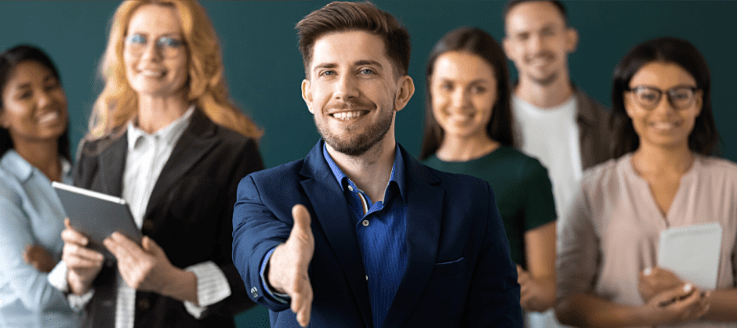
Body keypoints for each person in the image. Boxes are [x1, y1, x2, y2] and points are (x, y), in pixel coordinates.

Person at [232, 2, 521, 327]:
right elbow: (258, 253)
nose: (344, 91)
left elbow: (500, 319)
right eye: (328, 72)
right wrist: (283, 268)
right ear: (309, 94)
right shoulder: (264, 193)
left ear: (402, 92)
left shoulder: (471, 202)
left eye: (365, 71)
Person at [54, 0, 264, 327]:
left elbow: (254, 273)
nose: (150, 55)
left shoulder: (233, 152)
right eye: (137, 39)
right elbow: (78, 279)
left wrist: (173, 282)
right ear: (120, 48)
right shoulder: (95, 150)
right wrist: (77, 274)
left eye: (168, 42)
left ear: (193, 53)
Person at [556, 37, 737, 327]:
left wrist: (694, 298)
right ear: (628, 102)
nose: (665, 110)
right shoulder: (592, 190)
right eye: (648, 95)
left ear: (698, 102)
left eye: (680, 94)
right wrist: (646, 317)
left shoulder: (732, 185)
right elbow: (567, 303)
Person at [420, 26, 557, 315]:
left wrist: (526, 285)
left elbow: (547, 292)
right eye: (448, 86)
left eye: (478, 88)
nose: (461, 102)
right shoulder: (412, 177)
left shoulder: (526, 174)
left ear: (498, 93)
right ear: (431, 86)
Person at [0, 44, 81, 328]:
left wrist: (56, 265)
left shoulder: (85, 174)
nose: (46, 100)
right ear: (2, 115)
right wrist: (85, 275)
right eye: (25, 94)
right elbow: (38, 295)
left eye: (51, 86)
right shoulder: (3, 186)